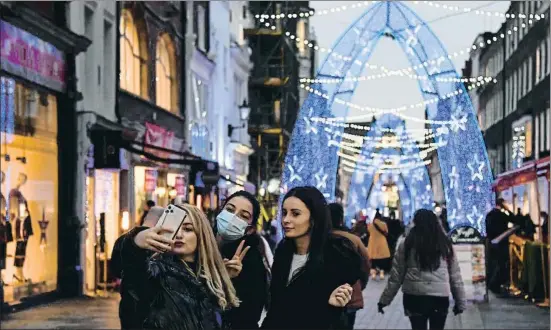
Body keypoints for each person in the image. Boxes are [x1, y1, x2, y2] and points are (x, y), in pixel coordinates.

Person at [118, 203, 242, 329]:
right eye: (175, 228)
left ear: (201, 235)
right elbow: (132, 276)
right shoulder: (155, 271)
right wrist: (136, 241)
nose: (179, 235)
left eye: (187, 229)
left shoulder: (210, 278)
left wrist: (225, 279)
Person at [262, 186, 360, 329]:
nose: (285, 220)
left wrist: (333, 306)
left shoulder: (336, 258)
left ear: (313, 218)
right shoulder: (283, 252)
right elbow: (275, 309)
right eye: (284, 213)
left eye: (295, 214)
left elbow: (334, 320)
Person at [378, 209, 466, 330]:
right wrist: (460, 302)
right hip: (439, 298)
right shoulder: (445, 244)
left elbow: (396, 276)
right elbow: (455, 276)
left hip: (414, 297)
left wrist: (384, 300)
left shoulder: (407, 243)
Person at [216, 190, 271, 329]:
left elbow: (249, 315)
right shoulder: (198, 243)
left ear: (250, 229)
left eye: (243, 216)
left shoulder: (251, 260)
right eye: (229, 209)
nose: (233, 217)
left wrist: (228, 280)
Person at [111, 207, 165, 329]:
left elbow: (115, 270)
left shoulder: (124, 239)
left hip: (128, 302)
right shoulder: (158, 242)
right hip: (148, 303)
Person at [329, 203, 370, 330]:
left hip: (324, 296)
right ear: (341, 218)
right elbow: (366, 265)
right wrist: (360, 285)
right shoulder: (354, 239)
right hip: (349, 294)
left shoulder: (319, 239)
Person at [485, 198, 514, 293]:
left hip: (491, 242)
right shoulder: (502, 215)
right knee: (501, 264)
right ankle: (495, 284)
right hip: (501, 242)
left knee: (493, 264)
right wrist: (507, 209)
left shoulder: (489, 215)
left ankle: (491, 283)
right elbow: (514, 219)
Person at [367, 213, 391, 280]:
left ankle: (374, 274)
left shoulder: (370, 225)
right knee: (382, 259)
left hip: (373, 243)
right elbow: (386, 232)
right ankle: (381, 273)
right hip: (381, 242)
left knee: (373, 259)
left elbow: (369, 231)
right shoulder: (383, 224)